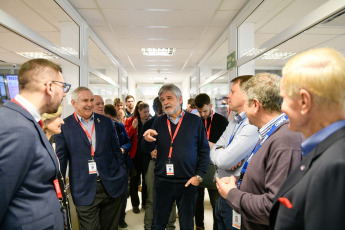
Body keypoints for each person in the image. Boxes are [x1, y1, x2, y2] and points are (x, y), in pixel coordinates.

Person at [269, 48, 345, 230]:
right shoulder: (328, 151)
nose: (282, 109)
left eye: (284, 99)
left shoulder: (335, 167)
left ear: (304, 101)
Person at [216, 73, 303, 230]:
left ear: (255, 105)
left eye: (245, 104)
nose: (243, 110)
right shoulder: (269, 134)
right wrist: (240, 184)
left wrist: (232, 194)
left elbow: (274, 207)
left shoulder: (285, 140)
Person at [0, 58, 69, 229]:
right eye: (63, 86)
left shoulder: (25, 121)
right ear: (50, 87)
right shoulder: (16, 127)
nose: (64, 93)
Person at [56, 87, 127, 230]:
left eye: (91, 100)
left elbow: (116, 151)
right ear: (74, 103)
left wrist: (122, 174)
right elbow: (62, 161)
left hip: (111, 185)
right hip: (84, 189)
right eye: (85, 100)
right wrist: (59, 192)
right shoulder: (65, 126)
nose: (89, 104)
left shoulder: (106, 122)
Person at [142, 83, 210, 230]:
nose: (165, 102)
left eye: (169, 98)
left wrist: (199, 176)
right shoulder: (158, 122)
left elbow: (204, 151)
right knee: (158, 224)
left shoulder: (195, 121)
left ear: (180, 100)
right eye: (162, 99)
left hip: (187, 182)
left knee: (186, 225)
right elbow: (146, 148)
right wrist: (146, 141)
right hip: (163, 182)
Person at [210, 76, 259, 230]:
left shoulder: (251, 124)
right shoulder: (234, 121)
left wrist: (225, 153)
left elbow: (224, 161)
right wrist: (222, 152)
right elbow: (215, 149)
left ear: (245, 95)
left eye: (232, 91)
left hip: (236, 194)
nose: (228, 96)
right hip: (223, 194)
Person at [193, 93, 229, 230]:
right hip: (198, 164)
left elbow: (228, 146)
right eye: (199, 111)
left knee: (215, 202)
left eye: (205, 111)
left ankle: (216, 227)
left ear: (211, 106)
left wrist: (211, 144)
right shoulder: (196, 121)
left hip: (215, 166)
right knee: (197, 200)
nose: (202, 114)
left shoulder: (221, 121)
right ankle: (199, 225)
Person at [142, 97, 176, 230]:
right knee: (151, 199)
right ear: (156, 111)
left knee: (170, 198)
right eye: (160, 113)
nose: (163, 116)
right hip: (153, 164)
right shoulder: (148, 123)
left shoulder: (174, 123)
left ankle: (170, 226)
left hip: (170, 164)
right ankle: (148, 226)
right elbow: (142, 147)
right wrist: (150, 152)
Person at [102, 102, 133, 230]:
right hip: (107, 167)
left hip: (122, 165)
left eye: (113, 119)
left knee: (123, 192)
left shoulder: (119, 126)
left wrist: (123, 149)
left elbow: (128, 142)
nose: (111, 122)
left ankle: (121, 217)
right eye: (109, 119)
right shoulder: (100, 129)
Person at [42, 105, 72, 230]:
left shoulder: (48, 145)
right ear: (44, 120)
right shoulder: (38, 149)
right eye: (58, 117)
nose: (62, 121)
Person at [125, 101, 150, 213]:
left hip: (146, 155)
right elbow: (125, 137)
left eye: (148, 111)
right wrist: (133, 127)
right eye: (145, 112)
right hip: (134, 156)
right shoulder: (130, 120)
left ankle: (144, 203)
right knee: (134, 181)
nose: (147, 114)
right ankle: (135, 204)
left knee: (146, 181)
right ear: (139, 111)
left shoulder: (150, 121)